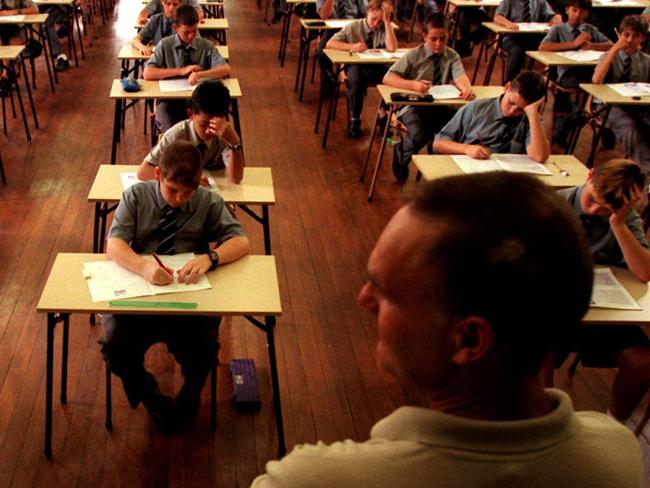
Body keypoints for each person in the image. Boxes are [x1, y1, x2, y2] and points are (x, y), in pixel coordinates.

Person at [251, 172, 644, 487]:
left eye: (386, 292)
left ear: (469, 340)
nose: (363, 300)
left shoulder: (311, 479)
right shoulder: (617, 452)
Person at [101, 140, 250, 431]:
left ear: (198, 182)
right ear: (158, 176)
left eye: (188, 191)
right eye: (172, 190)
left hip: (187, 294)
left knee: (204, 350)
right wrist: (144, 266)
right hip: (142, 294)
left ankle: (190, 394)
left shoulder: (208, 200)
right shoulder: (135, 196)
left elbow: (242, 241)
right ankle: (148, 394)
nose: (180, 199)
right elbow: (114, 244)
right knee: (115, 348)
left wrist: (211, 257)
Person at [557, 158, 650, 422]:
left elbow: (644, 273)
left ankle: (613, 424)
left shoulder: (621, 216)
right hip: (557, 310)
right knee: (538, 351)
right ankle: (544, 421)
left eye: (606, 208)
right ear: (590, 175)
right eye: (592, 200)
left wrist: (618, 224)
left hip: (603, 310)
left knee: (643, 362)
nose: (596, 209)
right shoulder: (552, 206)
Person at [383, 13, 475, 182]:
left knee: (460, 128)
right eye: (434, 39)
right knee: (421, 133)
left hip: (440, 105)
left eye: (443, 39)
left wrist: (465, 88)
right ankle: (402, 150)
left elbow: (459, 75)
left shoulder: (451, 55)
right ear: (424, 36)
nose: (439, 44)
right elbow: (388, 77)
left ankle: (439, 171)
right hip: (413, 106)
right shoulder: (413, 55)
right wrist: (414, 85)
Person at [137, 80, 244, 185]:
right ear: (191, 114)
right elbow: (143, 171)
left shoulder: (224, 134)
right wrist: (188, 179)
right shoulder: (177, 135)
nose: (209, 131)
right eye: (203, 124)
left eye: (214, 125)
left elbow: (236, 179)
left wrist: (234, 143)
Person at [143, 5, 231, 133]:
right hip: (169, 101)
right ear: (175, 28)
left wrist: (200, 75)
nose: (191, 36)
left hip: (198, 102)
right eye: (186, 32)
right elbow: (147, 73)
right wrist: (181, 70)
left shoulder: (205, 45)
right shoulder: (165, 44)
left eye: (194, 31)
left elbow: (225, 69)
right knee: (173, 133)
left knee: (203, 128)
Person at [433, 70, 550, 163]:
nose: (512, 111)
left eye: (521, 109)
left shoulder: (531, 118)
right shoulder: (476, 108)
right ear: (507, 87)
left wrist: (533, 113)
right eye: (511, 102)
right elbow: (438, 144)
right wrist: (466, 149)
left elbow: (539, 156)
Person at [538, 0, 611, 147]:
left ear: (587, 13)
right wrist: (573, 44)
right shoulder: (558, 30)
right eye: (574, 10)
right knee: (584, 98)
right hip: (568, 74)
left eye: (582, 11)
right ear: (567, 10)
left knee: (602, 88)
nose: (577, 15)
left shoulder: (590, 29)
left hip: (590, 73)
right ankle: (579, 116)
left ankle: (582, 115)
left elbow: (611, 45)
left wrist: (593, 46)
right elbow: (543, 47)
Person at [326, 0, 397, 138]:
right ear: (367, 13)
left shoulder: (384, 27)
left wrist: (387, 23)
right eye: (374, 19)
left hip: (377, 66)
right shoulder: (354, 26)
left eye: (381, 21)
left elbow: (392, 48)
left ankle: (384, 114)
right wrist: (352, 46)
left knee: (392, 79)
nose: (376, 24)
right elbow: (330, 43)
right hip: (356, 66)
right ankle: (355, 118)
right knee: (356, 79)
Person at [592, 15, 650, 173]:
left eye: (636, 36)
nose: (630, 40)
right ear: (620, 34)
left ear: (643, 38)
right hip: (609, 106)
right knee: (630, 127)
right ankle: (647, 168)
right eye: (626, 35)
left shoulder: (646, 60)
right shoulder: (608, 56)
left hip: (636, 104)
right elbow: (597, 80)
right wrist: (614, 49)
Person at [493, 0, 562, 83]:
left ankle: (555, 83)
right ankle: (510, 83)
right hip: (512, 37)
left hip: (533, 37)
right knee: (517, 51)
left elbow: (552, 16)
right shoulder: (508, 1)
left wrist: (556, 18)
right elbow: (497, 17)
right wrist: (507, 23)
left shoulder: (540, 2)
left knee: (554, 46)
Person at [138, 0, 203, 26]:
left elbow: (199, 13)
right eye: (168, 4)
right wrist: (143, 18)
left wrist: (187, 19)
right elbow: (144, 12)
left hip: (181, 25)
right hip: (161, 28)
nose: (171, 8)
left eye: (175, 4)